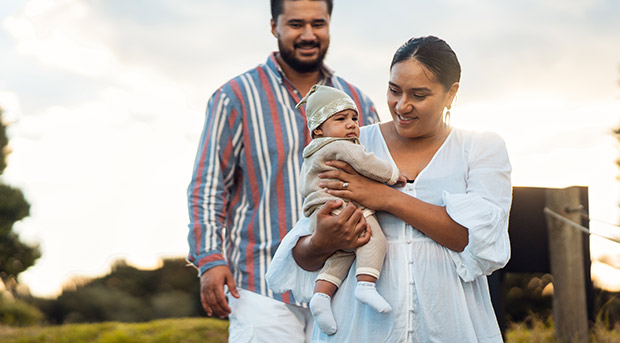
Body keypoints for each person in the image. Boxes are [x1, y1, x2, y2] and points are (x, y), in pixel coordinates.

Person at [266, 35, 512, 342]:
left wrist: (384, 197)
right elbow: (304, 253)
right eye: (394, 90)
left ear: (451, 94)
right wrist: (322, 240)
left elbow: (474, 239)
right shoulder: (350, 144)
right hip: (358, 328)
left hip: (449, 324)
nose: (401, 105)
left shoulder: (480, 148)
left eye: (419, 95)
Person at [186, 1, 379, 342]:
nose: (308, 35)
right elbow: (208, 186)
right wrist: (210, 259)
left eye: (318, 24)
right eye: (295, 25)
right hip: (261, 284)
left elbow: (377, 182)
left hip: (342, 281)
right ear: (274, 26)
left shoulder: (358, 102)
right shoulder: (235, 97)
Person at [295, 84, 407, 335]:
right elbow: (366, 163)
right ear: (319, 129)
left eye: (354, 118)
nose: (351, 124)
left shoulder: (310, 154)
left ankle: (321, 296)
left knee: (342, 254)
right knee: (373, 238)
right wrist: (393, 175)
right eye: (341, 119)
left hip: (319, 213)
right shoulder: (341, 146)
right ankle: (366, 285)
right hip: (342, 206)